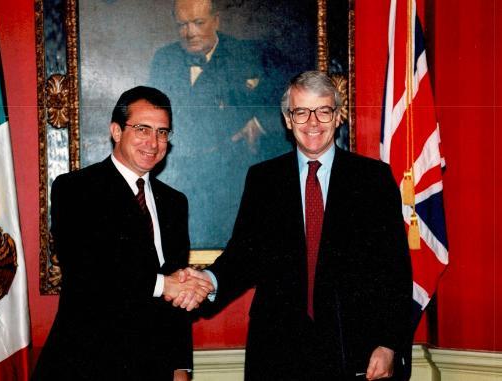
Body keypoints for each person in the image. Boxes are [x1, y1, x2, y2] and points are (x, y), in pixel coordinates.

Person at [176, 71, 413, 380]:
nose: (312, 122)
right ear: (288, 120)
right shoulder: (264, 180)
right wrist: (208, 280)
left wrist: (389, 344)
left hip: (355, 352)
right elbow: (243, 256)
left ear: (338, 116)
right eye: (301, 112)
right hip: (279, 354)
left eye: (323, 111)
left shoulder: (373, 180)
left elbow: (394, 271)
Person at [32, 86, 213, 381]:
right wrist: (161, 285)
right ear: (116, 131)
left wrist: (181, 367)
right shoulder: (76, 189)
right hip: (87, 365)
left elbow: (176, 287)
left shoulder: (174, 202)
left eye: (162, 132)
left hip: (154, 367)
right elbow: (86, 274)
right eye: (143, 129)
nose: (153, 143)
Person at [149, 0, 294, 248]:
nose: (190, 32)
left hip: (236, 177)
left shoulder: (250, 54)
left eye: (198, 22)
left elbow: (295, 98)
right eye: (182, 24)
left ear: (216, 20)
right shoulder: (164, 60)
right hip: (184, 178)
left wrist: (260, 124)